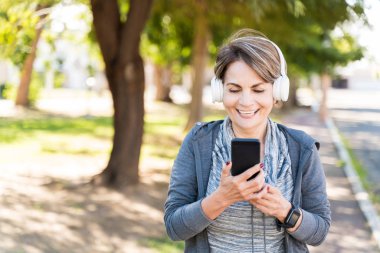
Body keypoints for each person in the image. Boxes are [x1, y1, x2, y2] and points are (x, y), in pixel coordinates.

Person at [164, 29, 331, 253]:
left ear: (277, 91)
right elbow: (174, 227)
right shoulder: (199, 141)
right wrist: (222, 198)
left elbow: (319, 232)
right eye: (234, 89)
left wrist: (285, 211)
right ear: (219, 90)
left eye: (258, 89)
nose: (245, 101)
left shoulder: (302, 148)